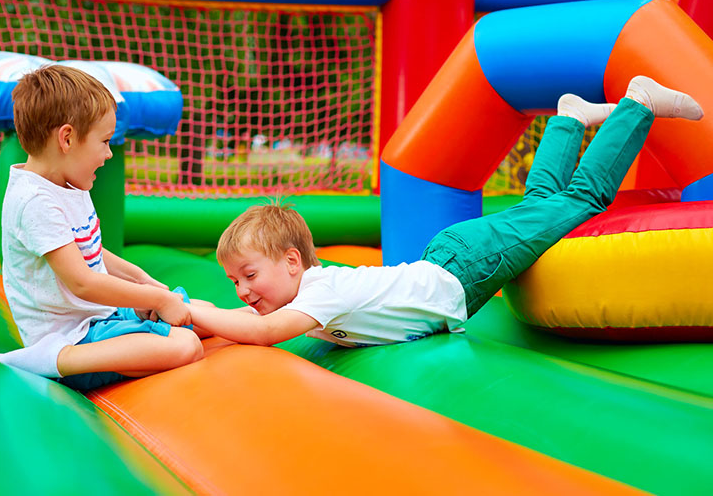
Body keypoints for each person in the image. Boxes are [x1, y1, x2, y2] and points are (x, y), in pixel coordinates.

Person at [184, 76, 704, 347]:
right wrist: (184, 321)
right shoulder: (297, 294)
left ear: (294, 262)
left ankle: (638, 102)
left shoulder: (321, 293)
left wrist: (182, 308)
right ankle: (568, 120)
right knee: (540, 208)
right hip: (452, 258)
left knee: (579, 202)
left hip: (466, 268)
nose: (243, 291)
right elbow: (240, 319)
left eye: (248, 275)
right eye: (234, 280)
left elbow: (256, 331)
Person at [0, 64, 209, 390]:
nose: (109, 154)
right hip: (73, 335)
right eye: (105, 141)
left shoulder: (68, 183)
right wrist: (155, 299)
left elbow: (89, 249)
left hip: (99, 316)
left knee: (200, 313)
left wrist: (141, 280)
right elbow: (82, 282)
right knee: (185, 345)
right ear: (66, 138)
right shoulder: (35, 201)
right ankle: (50, 360)